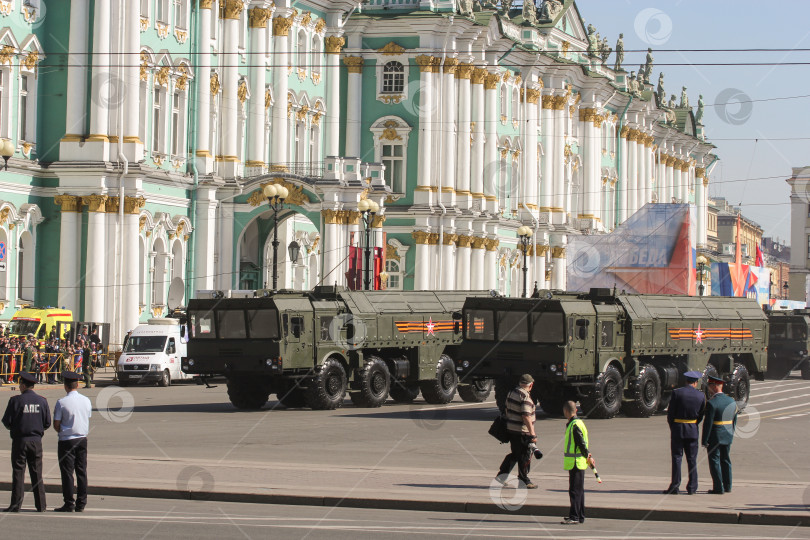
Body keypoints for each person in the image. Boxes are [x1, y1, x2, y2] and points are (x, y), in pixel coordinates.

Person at [1, 371, 51, 512]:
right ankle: (41, 505)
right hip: (36, 441)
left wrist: (16, 428)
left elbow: (6, 421)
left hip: (20, 441)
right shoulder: (42, 401)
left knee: (18, 472)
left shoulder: (15, 401)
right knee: (37, 473)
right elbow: (47, 423)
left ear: (23, 385)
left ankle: (16, 504)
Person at [53, 371, 92, 512]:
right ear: (77, 385)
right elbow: (88, 416)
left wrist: (63, 430)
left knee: (67, 472)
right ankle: (81, 503)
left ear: (65, 386)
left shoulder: (61, 402)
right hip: (82, 438)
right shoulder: (86, 400)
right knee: (81, 471)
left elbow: (56, 424)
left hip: (66, 440)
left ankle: (69, 502)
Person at [663, 370, 706, 495]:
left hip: (678, 429)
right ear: (696, 382)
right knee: (692, 459)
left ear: (686, 381)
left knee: (677, 458)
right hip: (692, 429)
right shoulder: (701, 396)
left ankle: (675, 486)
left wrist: (674, 426)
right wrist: (693, 424)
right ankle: (692, 487)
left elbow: (670, 414)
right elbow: (701, 415)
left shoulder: (677, 393)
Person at [496, 374, 538, 489]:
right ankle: (524, 480)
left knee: (515, 454)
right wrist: (532, 433)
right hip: (522, 431)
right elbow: (526, 416)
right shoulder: (525, 397)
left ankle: (501, 476)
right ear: (531, 385)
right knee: (525, 455)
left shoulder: (512, 393)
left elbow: (506, 409)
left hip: (511, 429)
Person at [701, 375, 738, 494]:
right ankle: (728, 486)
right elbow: (734, 420)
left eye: (710, 386)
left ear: (715, 386)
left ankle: (718, 487)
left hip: (715, 436)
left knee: (714, 461)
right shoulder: (731, 401)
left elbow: (708, 424)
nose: (709, 389)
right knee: (726, 460)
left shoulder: (712, 403)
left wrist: (704, 440)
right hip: (727, 434)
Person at [561, 401, 595, 525]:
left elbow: (581, 443)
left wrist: (588, 455)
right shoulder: (579, 423)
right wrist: (588, 456)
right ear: (575, 410)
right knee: (579, 490)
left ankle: (574, 516)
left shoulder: (574, 425)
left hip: (575, 462)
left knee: (574, 490)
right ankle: (579, 515)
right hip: (579, 462)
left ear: (565, 411)